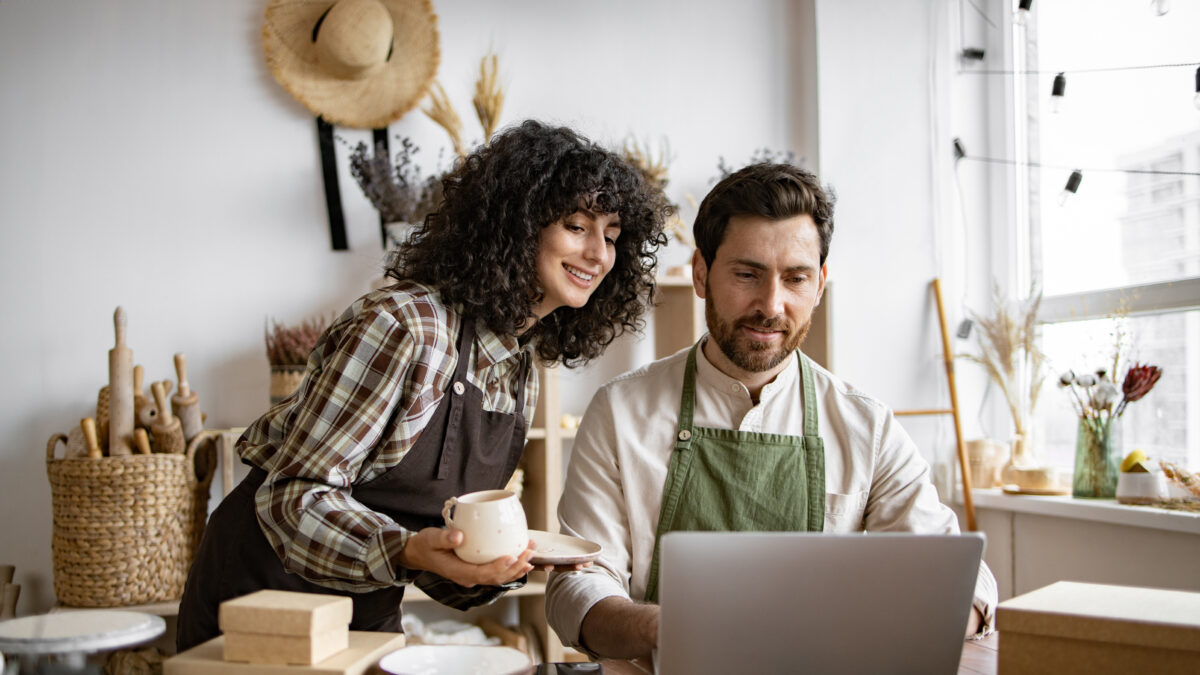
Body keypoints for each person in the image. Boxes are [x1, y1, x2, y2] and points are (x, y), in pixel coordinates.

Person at [177, 120, 670, 651]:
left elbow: (428, 548)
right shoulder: (406, 326)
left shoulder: (516, 364)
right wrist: (406, 551)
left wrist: (490, 562)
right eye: (577, 226)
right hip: (262, 601)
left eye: (612, 236)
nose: (599, 253)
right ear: (516, 224)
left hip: (363, 613)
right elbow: (292, 497)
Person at [545, 162, 998, 667]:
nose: (771, 304)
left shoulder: (866, 427)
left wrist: (952, 610)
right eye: (747, 274)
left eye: (796, 278)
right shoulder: (620, 412)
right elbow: (576, 587)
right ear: (700, 273)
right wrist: (667, 628)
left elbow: (965, 578)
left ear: (820, 284)